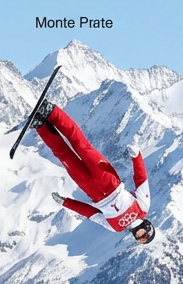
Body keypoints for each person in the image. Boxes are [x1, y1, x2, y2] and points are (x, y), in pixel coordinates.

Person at [32, 100, 156, 244]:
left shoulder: (115, 227)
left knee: (65, 157)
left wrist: (67, 202)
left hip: (93, 192)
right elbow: (141, 180)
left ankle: (41, 126)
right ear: (148, 227)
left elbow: (90, 213)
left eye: (139, 239)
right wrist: (136, 157)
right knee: (81, 146)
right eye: (144, 236)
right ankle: (52, 112)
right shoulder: (143, 208)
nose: (139, 237)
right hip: (109, 180)